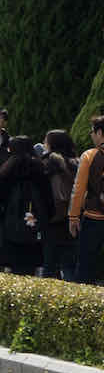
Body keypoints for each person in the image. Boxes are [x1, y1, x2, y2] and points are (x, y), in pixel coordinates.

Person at [0, 135, 50, 274]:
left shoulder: (7, 169)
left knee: (12, 268)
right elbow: (48, 199)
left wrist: (1, 219)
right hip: (34, 226)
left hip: (11, 225)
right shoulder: (40, 168)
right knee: (30, 268)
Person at [40, 129, 79, 278]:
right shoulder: (77, 162)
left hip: (52, 219)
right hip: (73, 217)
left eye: (46, 141)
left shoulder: (49, 162)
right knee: (69, 264)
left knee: (49, 266)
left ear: (51, 144)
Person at [72, 114, 104, 283]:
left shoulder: (89, 156)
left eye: (92, 131)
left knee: (85, 264)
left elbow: (78, 189)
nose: (91, 135)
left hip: (93, 217)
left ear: (99, 132)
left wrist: (73, 216)